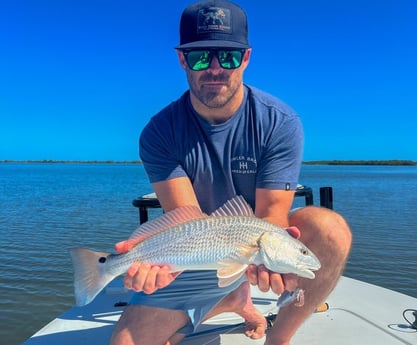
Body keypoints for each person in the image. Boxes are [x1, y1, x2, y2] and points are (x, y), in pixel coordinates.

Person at [110, 1, 352, 344]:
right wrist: (149, 256)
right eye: (198, 57)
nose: (214, 69)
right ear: (182, 60)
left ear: (246, 58)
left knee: (331, 229)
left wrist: (268, 262)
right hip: (197, 247)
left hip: (253, 242)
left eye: (228, 56)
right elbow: (185, 217)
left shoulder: (279, 123)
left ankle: (278, 337)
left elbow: (271, 215)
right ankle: (231, 297)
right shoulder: (158, 132)